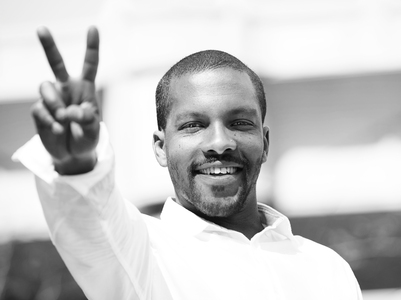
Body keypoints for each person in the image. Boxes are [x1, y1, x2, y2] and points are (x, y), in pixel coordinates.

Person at [14, 27, 363, 300]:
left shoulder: (327, 269)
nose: (220, 143)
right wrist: (77, 163)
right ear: (161, 148)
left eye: (240, 123)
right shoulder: (142, 255)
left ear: (265, 142)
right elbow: (91, 224)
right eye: (193, 125)